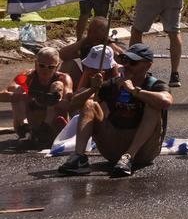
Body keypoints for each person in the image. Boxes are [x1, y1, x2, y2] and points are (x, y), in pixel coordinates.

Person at [57, 43, 173, 177]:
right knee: (89, 104)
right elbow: (74, 105)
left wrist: (134, 91)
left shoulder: (155, 85)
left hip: (143, 151)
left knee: (154, 105)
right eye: (125, 61)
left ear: (147, 65)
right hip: (113, 146)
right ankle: (78, 158)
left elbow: (166, 101)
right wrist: (93, 89)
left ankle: (128, 157)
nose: (127, 66)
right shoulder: (114, 83)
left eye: (133, 62)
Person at [7, 47, 73, 147]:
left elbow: (69, 103)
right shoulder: (28, 75)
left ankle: (46, 128)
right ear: (36, 64)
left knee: (57, 85)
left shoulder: (63, 78)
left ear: (57, 66)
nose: (45, 69)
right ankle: (25, 129)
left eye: (50, 67)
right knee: (18, 89)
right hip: (32, 123)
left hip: (53, 125)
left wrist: (52, 100)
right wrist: (25, 97)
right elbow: (3, 94)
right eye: (42, 65)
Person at [59, 18, 123, 85]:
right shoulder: (86, 45)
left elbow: (121, 59)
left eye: (95, 31)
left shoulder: (110, 47)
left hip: (107, 85)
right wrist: (84, 40)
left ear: (104, 33)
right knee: (68, 65)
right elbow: (63, 55)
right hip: (85, 81)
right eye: (89, 30)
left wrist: (109, 44)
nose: (90, 34)